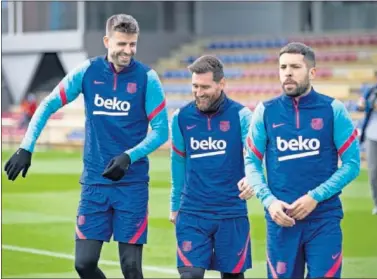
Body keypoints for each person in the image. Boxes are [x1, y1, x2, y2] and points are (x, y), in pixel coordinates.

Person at [4, 14, 169, 279]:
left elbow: (162, 132)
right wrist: (26, 147)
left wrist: (129, 156)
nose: (128, 51)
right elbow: (47, 104)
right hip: (94, 183)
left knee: (131, 268)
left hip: (132, 185)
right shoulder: (88, 72)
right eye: (122, 44)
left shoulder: (147, 79)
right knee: (84, 264)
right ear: (107, 41)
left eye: (132, 44)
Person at [244, 42, 360, 278]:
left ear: (312, 72)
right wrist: (269, 201)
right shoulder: (265, 111)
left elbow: (352, 164)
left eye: (295, 67)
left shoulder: (333, 109)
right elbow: (251, 162)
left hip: (324, 220)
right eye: (283, 67)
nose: (287, 72)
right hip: (281, 222)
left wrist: (315, 197)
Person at [169, 55, 254, 279]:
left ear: (221, 84)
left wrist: (252, 179)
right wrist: (174, 204)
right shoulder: (180, 118)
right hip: (192, 213)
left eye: (205, 87)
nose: (199, 92)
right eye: (195, 86)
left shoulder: (242, 116)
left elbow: (254, 156)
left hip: (231, 212)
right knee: (190, 276)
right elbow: (178, 162)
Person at [358, 81, 377, 215]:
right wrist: (364, 104)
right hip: (372, 134)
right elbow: (361, 105)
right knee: (373, 172)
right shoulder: (371, 91)